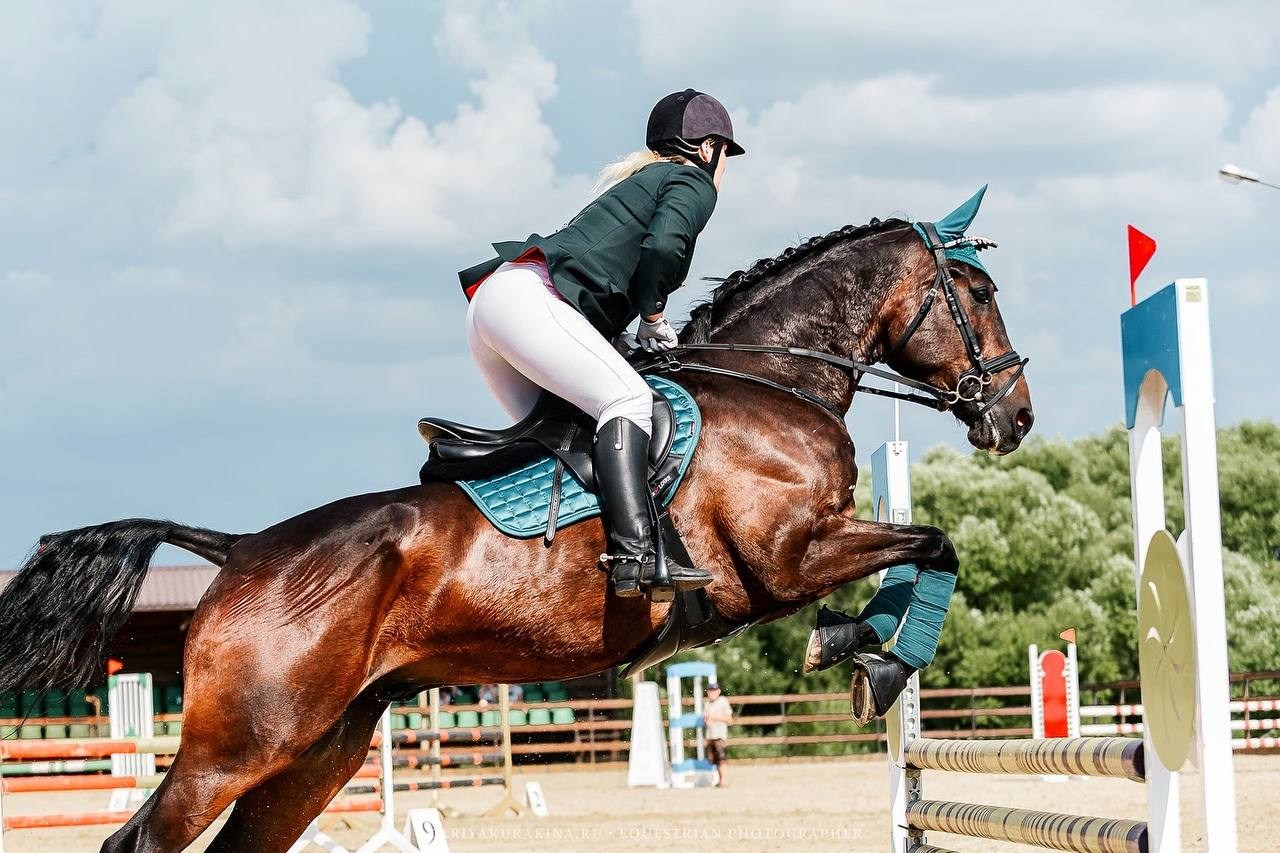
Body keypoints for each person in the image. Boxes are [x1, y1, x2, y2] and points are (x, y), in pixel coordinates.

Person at [457, 89, 745, 600]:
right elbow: (662, 246)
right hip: (528, 302)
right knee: (628, 401)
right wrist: (654, 316)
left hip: (495, 307)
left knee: (568, 434)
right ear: (709, 148)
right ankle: (634, 555)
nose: (725, 168)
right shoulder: (693, 181)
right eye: (726, 155)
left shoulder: (640, 181)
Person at [702, 682, 732, 786]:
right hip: (710, 735)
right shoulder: (707, 704)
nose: (712, 693)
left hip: (720, 735)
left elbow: (729, 719)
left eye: (714, 690)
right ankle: (720, 780)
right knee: (714, 759)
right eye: (710, 690)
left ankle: (723, 781)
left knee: (721, 758)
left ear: (718, 691)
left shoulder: (723, 701)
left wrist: (715, 717)